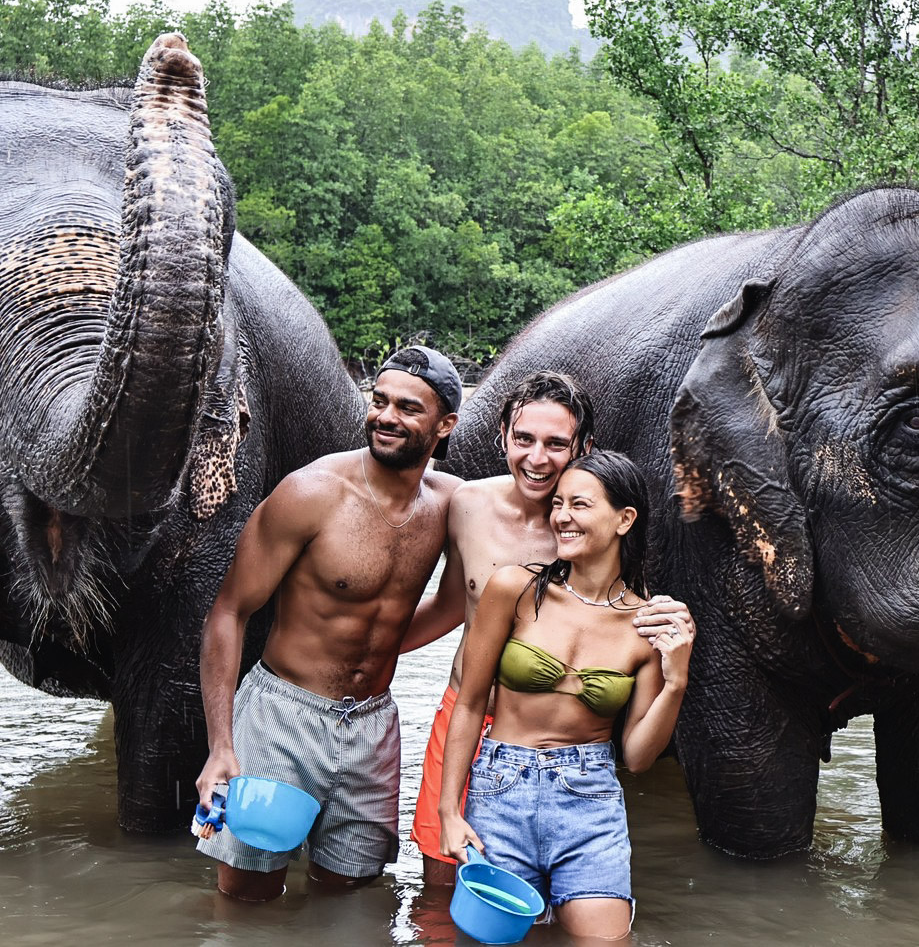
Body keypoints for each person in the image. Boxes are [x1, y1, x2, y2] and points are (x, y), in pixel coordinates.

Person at [193, 345, 463, 902]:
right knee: (248, 895)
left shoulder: (452, 505)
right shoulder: (312, 492)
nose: (386, 416)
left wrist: (380, 649)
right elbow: (230, 611)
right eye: (380, 400)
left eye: (408, 408)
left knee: (350, 895)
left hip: (372, 726)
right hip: (281, 716)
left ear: (444, 425)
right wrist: (221, 745)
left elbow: (456, 601)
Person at [400, 373, 690, 886]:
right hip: (463, 715)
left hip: (562, 751)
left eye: (556, 444)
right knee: (444, 894)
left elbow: (627, 615)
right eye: (523, 440)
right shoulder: (468, 504)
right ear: (503, 438)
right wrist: (374, 656)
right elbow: (452, 604)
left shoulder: (595, 530)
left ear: (584, 447)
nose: (536, 459)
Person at [438, 450, 695, 941]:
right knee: (490, 937)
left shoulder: (646, 626)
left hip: (589, 800)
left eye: (579, 504)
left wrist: (676, 679)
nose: (561, 517)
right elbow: (470, 704)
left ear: (624, 519)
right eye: (557, 504)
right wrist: (450, 811)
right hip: (500, 791)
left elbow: (638, 758)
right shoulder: (513, 589)